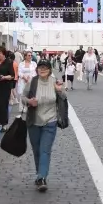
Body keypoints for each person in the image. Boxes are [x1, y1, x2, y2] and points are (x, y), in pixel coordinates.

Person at [23, 59, 64, 191]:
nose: (42, 69)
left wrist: (60, 91)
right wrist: (29, 101)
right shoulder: (32, 82)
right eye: (40, 67)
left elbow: (64, 97)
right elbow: (22, 97)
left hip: (50, 121)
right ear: (37, 69)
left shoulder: (54, 81)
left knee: (44, 150)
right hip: (34, 121)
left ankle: (42, 177)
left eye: (45, 67)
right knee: (36, 150)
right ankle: (39, 174)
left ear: (50, 70)